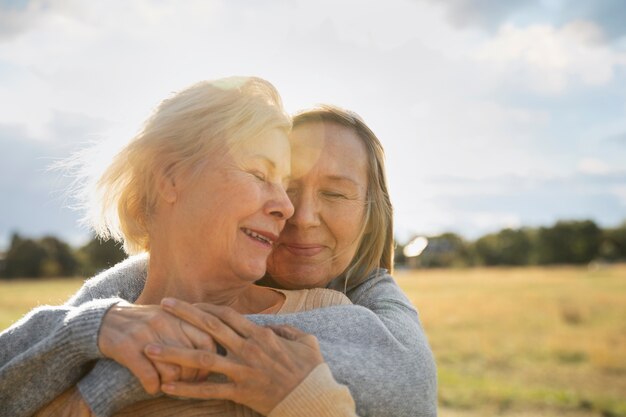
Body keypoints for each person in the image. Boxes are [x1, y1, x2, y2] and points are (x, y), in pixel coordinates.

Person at [0, 99, 437, 416]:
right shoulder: (119, 297)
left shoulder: (357, 317)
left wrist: (108, 383)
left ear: (371, 213)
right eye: (274, 181)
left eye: (336, 193)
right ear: (171, 179)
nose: (296, 215)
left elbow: (409, 381)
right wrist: (92, 328)